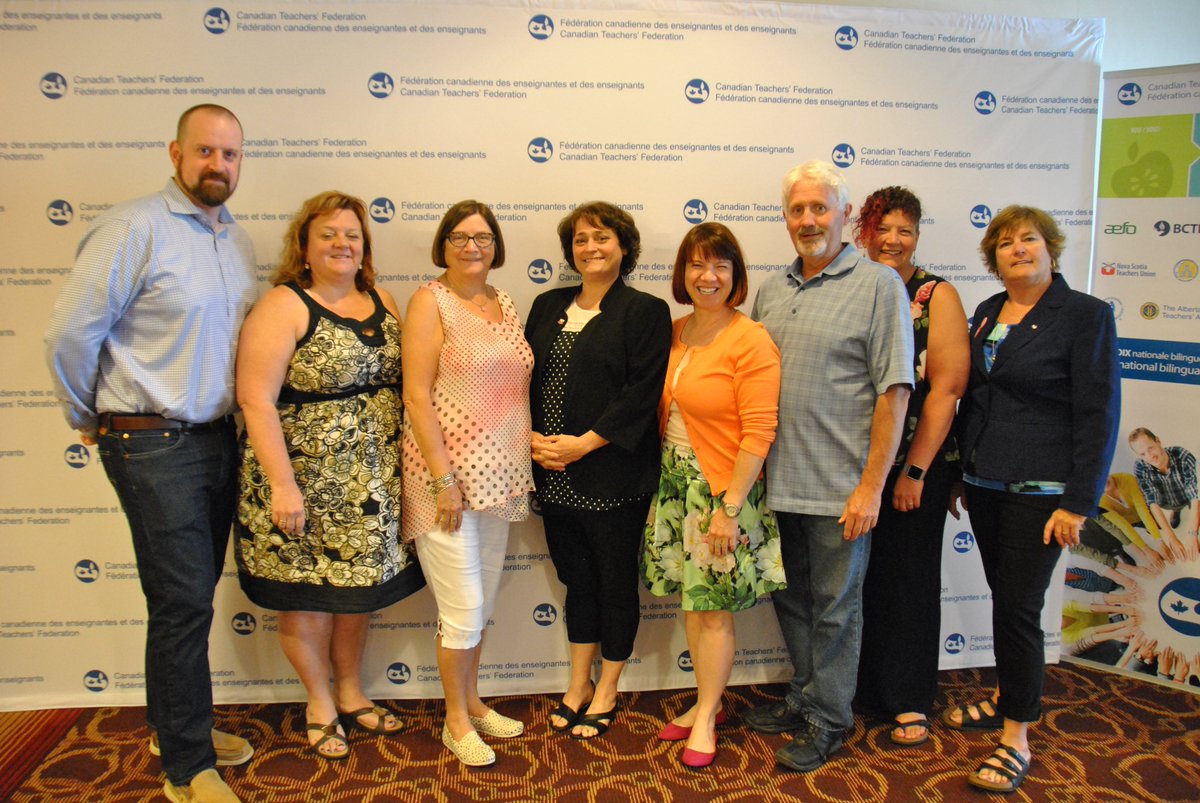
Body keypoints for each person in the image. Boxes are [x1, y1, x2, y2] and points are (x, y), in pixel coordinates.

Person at [44, 104, 256, 803]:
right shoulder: (135, 226)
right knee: (183, 600)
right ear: (175, 153)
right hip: (149, 438)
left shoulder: (234, 240)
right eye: (204, 152)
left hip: (217, 439)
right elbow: (71, 334)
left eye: (229, 155)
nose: (217, 166)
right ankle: (186, 767)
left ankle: (176, 727)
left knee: (186, 600)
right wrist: (89, 415)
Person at [234, 191, 424, 760]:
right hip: (304, 486)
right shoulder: (283, 306)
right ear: (304, 245)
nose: (342, 244)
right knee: (307, 598)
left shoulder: (382, 298)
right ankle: (319, 702)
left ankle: (350, 692)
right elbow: (255, 400)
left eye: (352, 235)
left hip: (371, 486)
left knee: (356, 597)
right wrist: (284, 487)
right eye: (328, 235)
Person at [746, 161, 914, 773]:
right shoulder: (771, 289)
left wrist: (872, 486)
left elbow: (895, 393)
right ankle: (802, 696)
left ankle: (829, 720)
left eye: (821, 208)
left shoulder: (878, 285)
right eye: (798, 210)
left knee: (836, 608)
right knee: (790, 601)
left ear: (845, 216)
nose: (809, 220)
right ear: (786, 218)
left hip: (842, 487)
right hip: (777, 482)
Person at [949, 206, 1119, 793]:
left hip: (1043, 496)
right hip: (985, 483)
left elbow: (1099, 414)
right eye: (1004, 243)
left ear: (1051, 248)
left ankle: (1016, 735)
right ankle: (1006, 697)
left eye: (1028, 239)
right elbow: (973, 398)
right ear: (992, 259)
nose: (1017, 249)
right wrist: (957, 475)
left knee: (1018, 608)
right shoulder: (988, 313)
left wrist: (1078, 502)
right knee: (1007, 600)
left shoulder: (1085, 316)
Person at [642, 222, 785, 769]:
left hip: (723, 491)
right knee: (694, 604)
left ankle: (705, 716)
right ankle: (711, 700)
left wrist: (728, 510)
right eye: (698, 265)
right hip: (677, 482)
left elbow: (760, 431)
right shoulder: (677, 332)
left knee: (715, 610)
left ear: (736, 276)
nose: (708, 276)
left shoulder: (750, 339)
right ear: (682, 273)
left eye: (720, 266)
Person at [526, 202, 670, 740]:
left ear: (625, 246)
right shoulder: (547, 305)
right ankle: (578, 682)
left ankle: (608, 688)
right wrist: (536, 441)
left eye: (602, 237)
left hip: (612, 476)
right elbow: (522, 381)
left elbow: (642, 393)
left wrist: (582, 445)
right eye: (581, 240)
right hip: (553, 474)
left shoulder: (644, 310)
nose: (591, 248)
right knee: (576, 581)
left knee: (613, 584)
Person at [401, 200, 534, 767]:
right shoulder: (430, 301)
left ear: (496, 244)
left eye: (482, 236)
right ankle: (455, 720)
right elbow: (416, 395)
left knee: (477, 609)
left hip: (499, 480)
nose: (471, 246)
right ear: (443, 244)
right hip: (446, 482)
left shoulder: (503, 302)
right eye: (458, 236)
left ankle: (473, 702)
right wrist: (442, 479)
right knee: (462, 608)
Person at [850, 187, 970, 747]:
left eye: (905, 230)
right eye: (884, 229)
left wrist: (915, 472)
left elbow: (944, 390)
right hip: (854, 465)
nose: (893, 240)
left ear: (918, 235)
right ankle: (864, 690)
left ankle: (908, 698)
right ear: (864, 233)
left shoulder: (935, 295)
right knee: (861, 583)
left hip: (912, 468)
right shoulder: (853, 284)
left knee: (909, 582)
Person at [1128, 428, 1198, 562]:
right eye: (1142, 454)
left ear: (1158, 441)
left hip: (1188, 497)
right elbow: (1152, 503)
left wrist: (1192, 534)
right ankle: (1176, 511)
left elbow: (1195, 496)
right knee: (1173, 509)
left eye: (1151, 448)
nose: (1149, 456)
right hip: (1167, 502)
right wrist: (1171, 537)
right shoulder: (1140, 467)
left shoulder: (1182, 455)